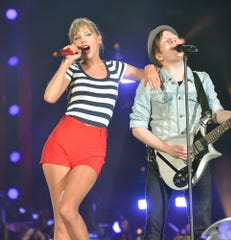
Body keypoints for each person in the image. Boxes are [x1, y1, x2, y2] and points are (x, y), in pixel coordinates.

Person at [129, 25, 231, 240]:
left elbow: (216, 113)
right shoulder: (150, 82)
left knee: (201, 226)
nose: (173, 40)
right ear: (159, 55)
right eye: (166, 40)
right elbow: (137, 126)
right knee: (154, 225)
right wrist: (167, 148)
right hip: (162, 161)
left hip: (197, 159)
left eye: (174, 37)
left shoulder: (201, 79)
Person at [39, 17, 160, 240]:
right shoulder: (73, 69)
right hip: (62, 141)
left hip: (93, 145)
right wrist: (66, 62)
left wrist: (150, 67)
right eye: (77, 37)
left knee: (68, 209)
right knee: (61, 221)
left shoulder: (115, 68)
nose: (82, 39)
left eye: (86, 34)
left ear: (98, 39)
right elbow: (49, 96)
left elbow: (147, 76)